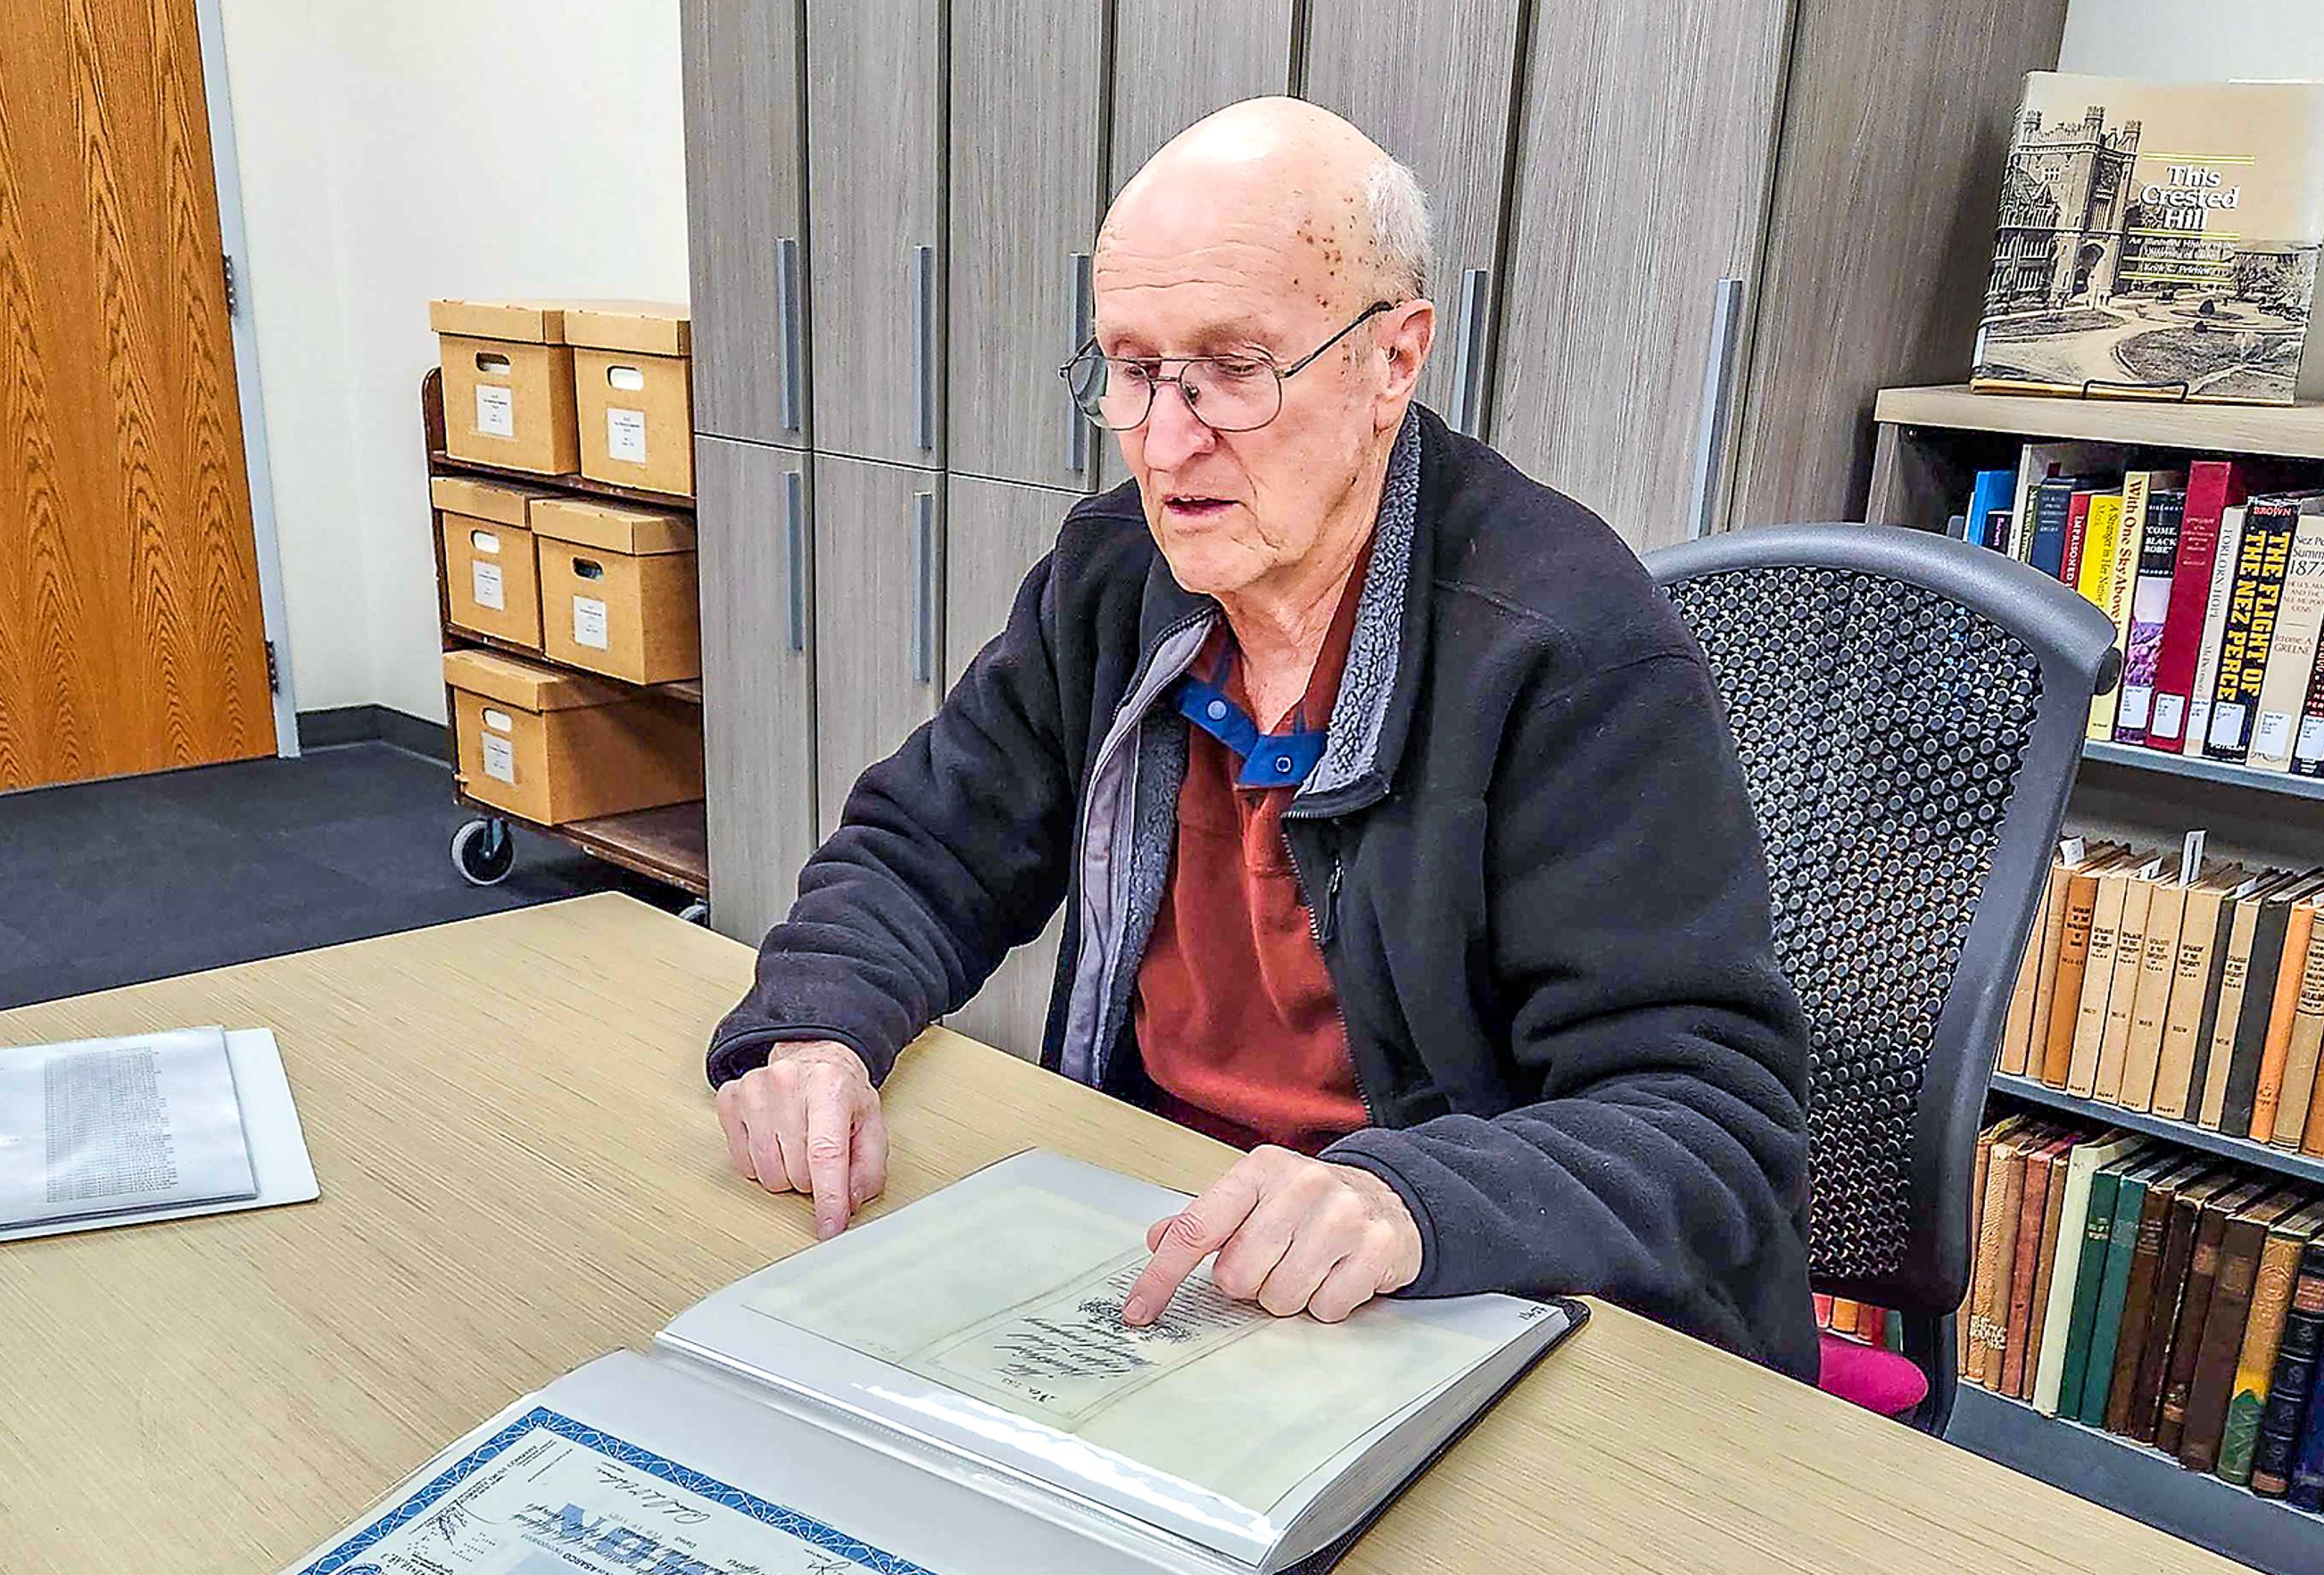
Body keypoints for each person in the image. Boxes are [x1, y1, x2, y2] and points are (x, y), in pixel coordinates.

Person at [707, 98, 1816, 1379]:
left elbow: (1708, 1124)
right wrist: (818, 1026)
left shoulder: (1568, 648)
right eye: (1132, 369)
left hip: (1466, 1295)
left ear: (1395, 359)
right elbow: (926, 849)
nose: (1167, 442)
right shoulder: (1117, 578)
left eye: (1235, 369)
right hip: (1171, 1244)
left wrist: (1407, 1199)